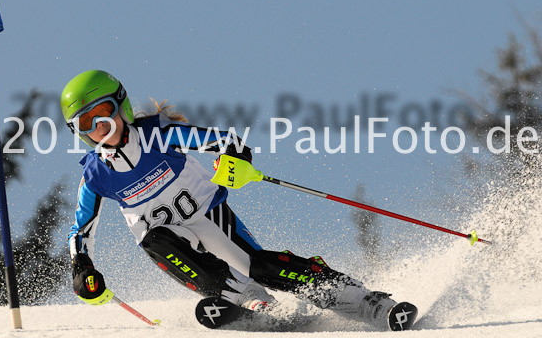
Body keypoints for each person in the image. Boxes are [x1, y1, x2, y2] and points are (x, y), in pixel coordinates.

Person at [61, 69, 414, 331]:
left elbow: (222, 140)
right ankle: (245, 301)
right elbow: (81, 231)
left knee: (258, 266)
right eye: (87, 123)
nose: (100, 127)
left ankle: (368, 303)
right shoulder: (95, 175)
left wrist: (235, 158)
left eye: (103, 112)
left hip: (208, 216)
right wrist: (82, 268)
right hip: (169, 242)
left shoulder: (156, 134)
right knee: (155, 239)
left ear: (120, 105)